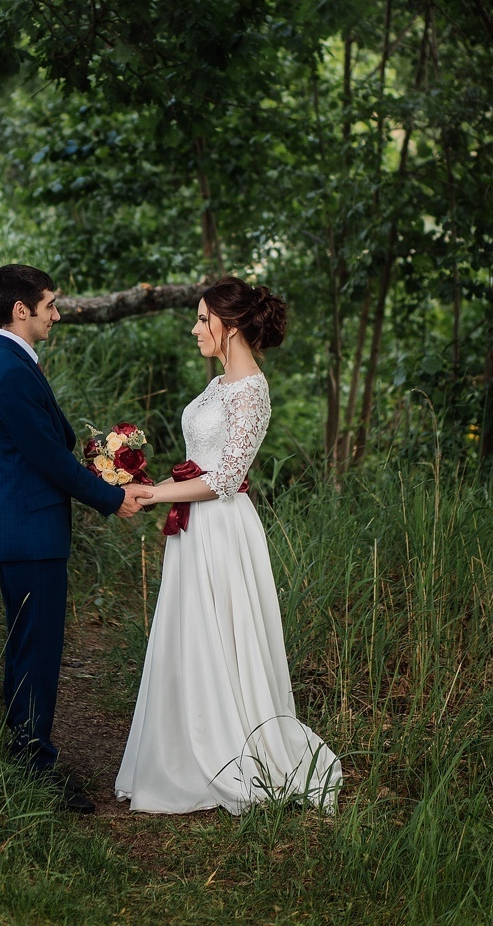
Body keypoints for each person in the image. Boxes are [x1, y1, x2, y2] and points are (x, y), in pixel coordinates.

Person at [115, 276, 342, 815]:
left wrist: (150, 493)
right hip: (195, 526)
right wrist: (144, 476)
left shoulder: (250, 390)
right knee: (191, 631)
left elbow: (225, 476)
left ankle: (230, 747)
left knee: (224, 632)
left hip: (221, 527)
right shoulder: (219, 386)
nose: (195, 328)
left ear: (230, 324)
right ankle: (181, 748)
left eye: (201, 319)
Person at [0, 264, 151, 812]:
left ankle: (27, 755)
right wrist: (112, 497)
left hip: (32, 531)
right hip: (30, 534)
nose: (57, 313)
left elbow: (54, 446)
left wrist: (101, 464)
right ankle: (34, 769)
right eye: (50, 304)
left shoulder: (12, 364)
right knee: (36, 652)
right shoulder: (5, 372)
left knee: (33, 648)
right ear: (21, 310)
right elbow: (47, 459)